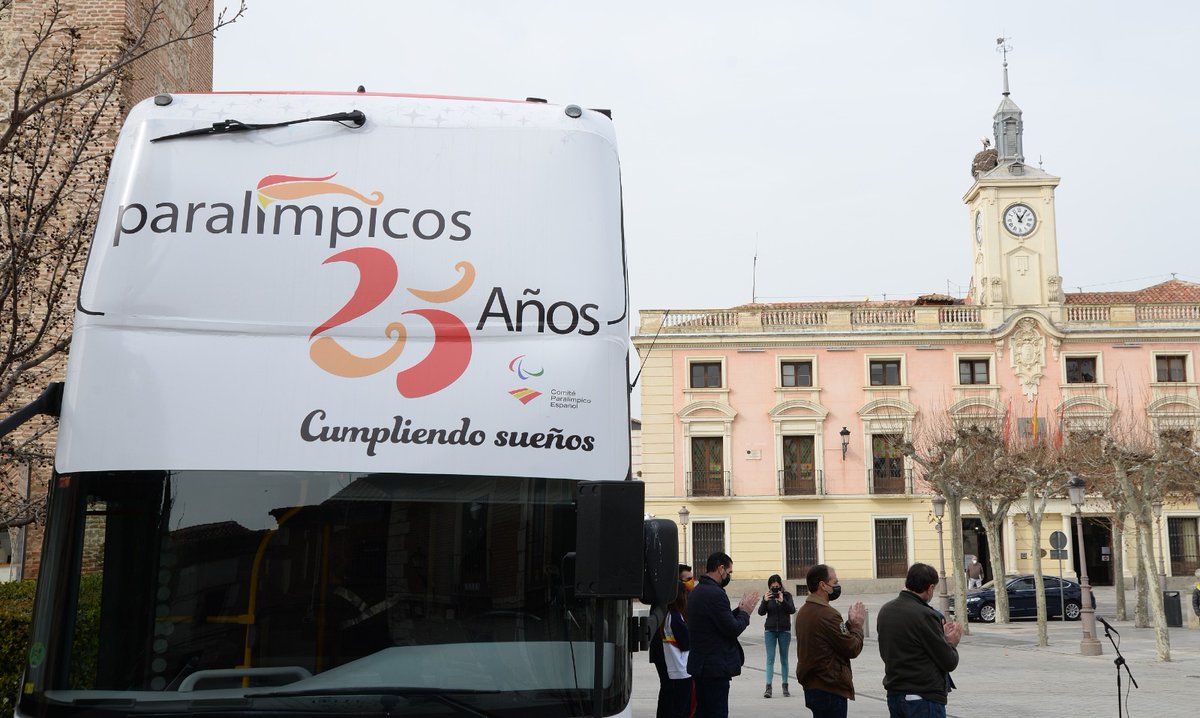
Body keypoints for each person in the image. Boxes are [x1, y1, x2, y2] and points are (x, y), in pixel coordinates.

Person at [877, 563, 962, 717]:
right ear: (930, 588)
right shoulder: (926, 615)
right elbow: (948, 661)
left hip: (895, 692)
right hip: (923, 696)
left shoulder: (885, 610)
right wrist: (951, 643)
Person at [686, 552, 759, 718]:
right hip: (714, 668)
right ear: (721, 569)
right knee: (716, 712)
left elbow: (716, 620)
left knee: (703, 710)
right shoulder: (716, 594)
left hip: (701, 666)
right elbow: (732, 629)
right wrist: (746, 613)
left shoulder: (697, 591)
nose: (729, 576)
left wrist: (738, 611)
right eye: (729, 572)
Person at [794, 564, 866, 718]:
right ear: (823, 585)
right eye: (834, 583)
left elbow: (830, 637)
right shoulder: (828, 614)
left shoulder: (804, 611)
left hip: (813, 685)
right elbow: (852, 648)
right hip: (829, 688)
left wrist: (847, 625)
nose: (837, 586)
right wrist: (857, 626)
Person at [652, 564, 694, 718]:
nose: (691, 582)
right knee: (672, 695)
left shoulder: (678, 607)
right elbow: (684, 641)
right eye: (687, 579)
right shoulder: (669, 610)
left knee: (673, 697)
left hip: (675, 663)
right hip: (674, 662)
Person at [758, 573, 796, 698]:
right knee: (770, 659)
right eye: (772, 587)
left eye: (777, 587)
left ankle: (785, 686)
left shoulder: (787, 596)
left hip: (784, 631)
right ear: (769, 587)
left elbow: (792, 610)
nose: (775, 589)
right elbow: (761, 612)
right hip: (770, 631)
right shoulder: (767, 596)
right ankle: (768, 687)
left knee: (784, 659)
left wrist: (782, 600)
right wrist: (764, 601)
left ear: (781, 586)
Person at [661, 580, 694, 718]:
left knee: (678, 708)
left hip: (675, 668)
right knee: (682, 709)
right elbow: (686, 644)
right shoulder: (676, 618)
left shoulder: (668, 616)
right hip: (683, 670)